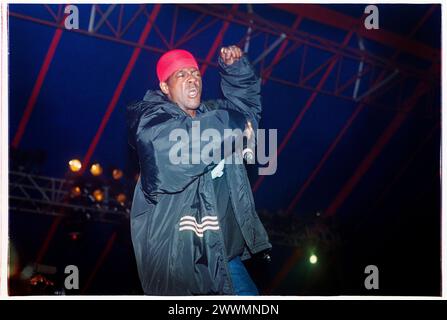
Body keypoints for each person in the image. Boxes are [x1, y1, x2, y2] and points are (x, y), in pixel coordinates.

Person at [126, 45, 271, 295]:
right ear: (164, 87)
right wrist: (235, 126)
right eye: (181, 75)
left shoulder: (213, 116)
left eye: (195, 73)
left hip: (224, 258)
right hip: (180, 262)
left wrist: (236, 71)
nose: (192, 78)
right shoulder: (151, 124)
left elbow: (246, 114)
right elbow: (182, 149)